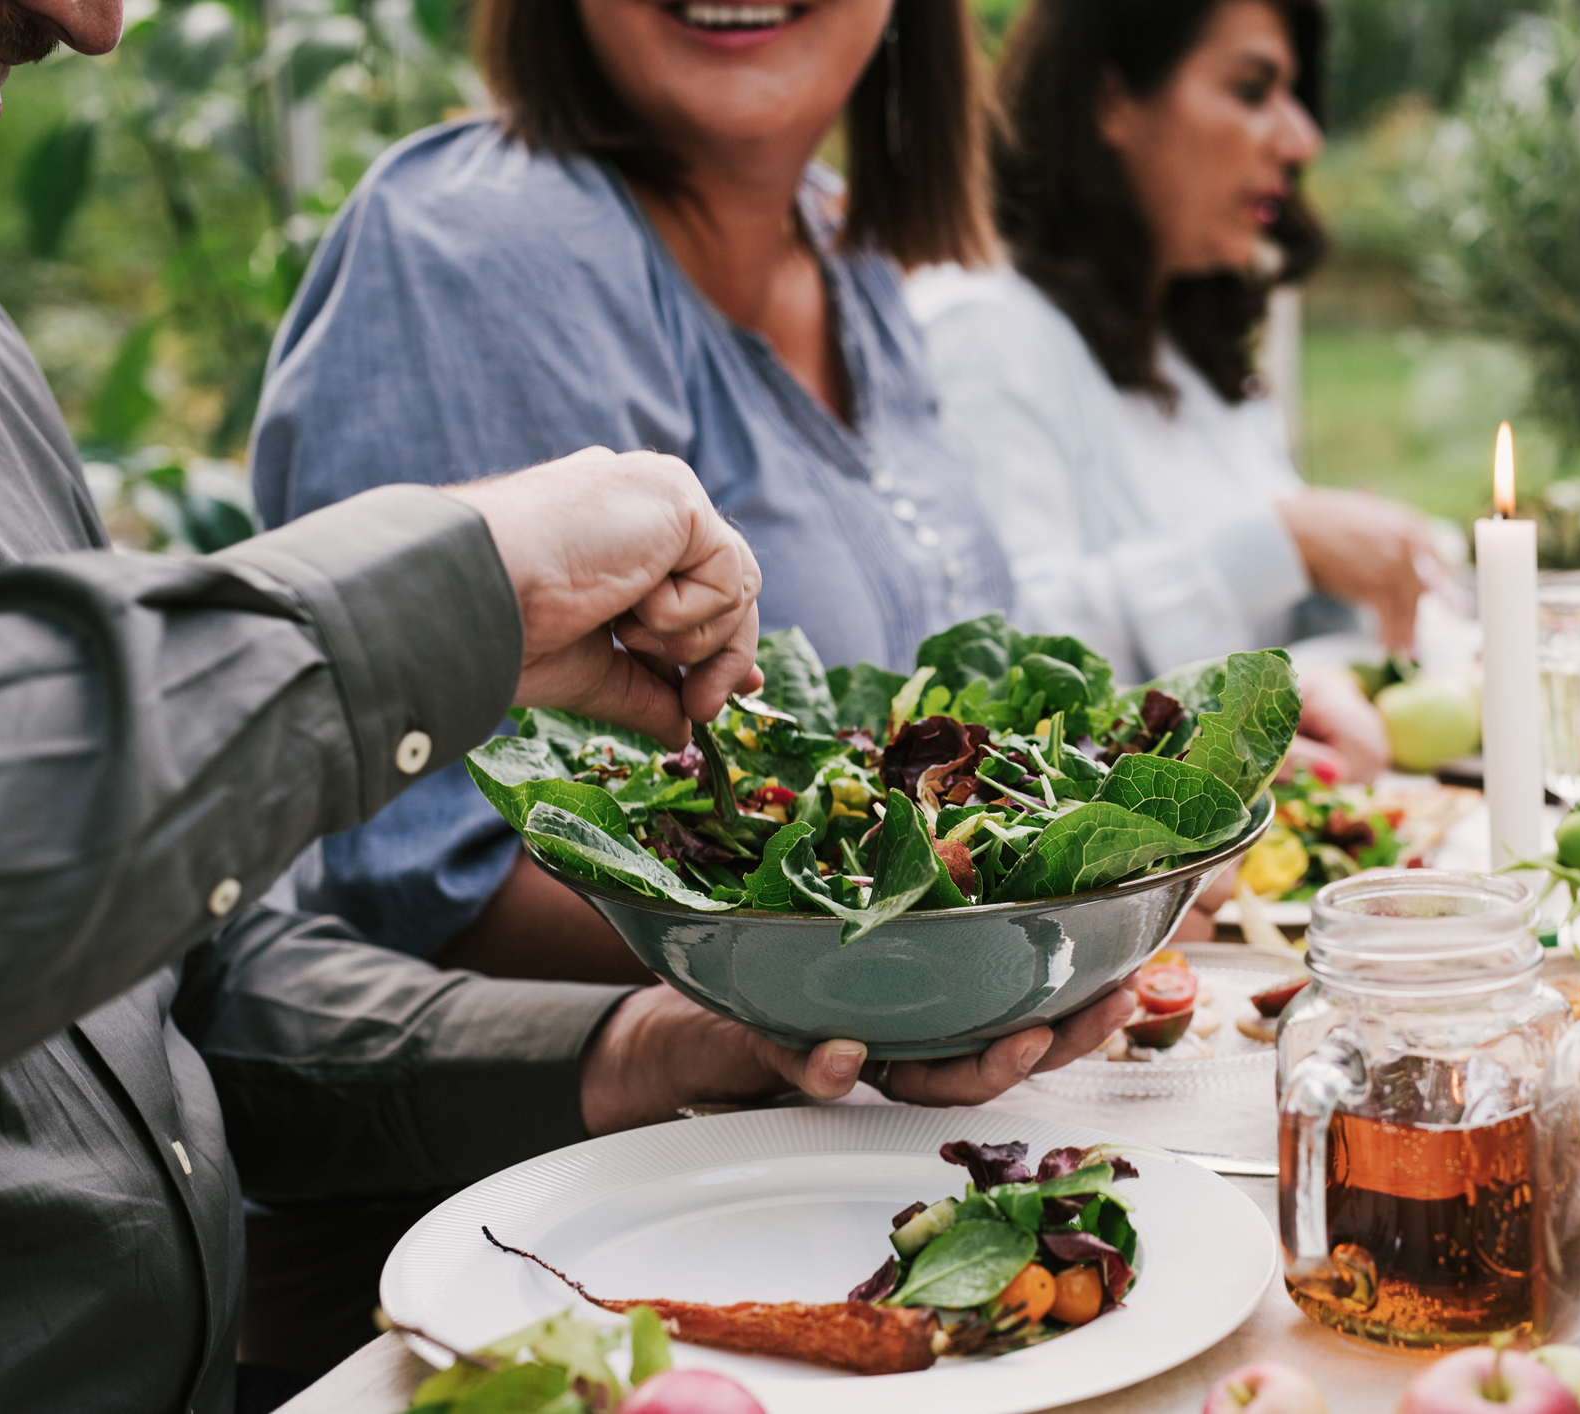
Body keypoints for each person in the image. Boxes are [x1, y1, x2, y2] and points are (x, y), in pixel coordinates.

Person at [0, 3, 1132, 1408]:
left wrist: (664, 1040)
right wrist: (461, 593)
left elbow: (181, 996)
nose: (91, 21)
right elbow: (406, 878)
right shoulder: (482, 241)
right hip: (516, 1267)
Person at [247, 0, 1019, 978]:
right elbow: (435, 884)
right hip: (629, 1125)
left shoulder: (843, 246)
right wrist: (944, 946)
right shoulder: (489, 241)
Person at [908, 0, 1433, 782]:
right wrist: (1284, 540)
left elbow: (1277, 633)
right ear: (1110, 101)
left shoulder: (1193, 345)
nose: (1301, 140)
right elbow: (990, 666)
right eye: (1251, 90)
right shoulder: (982, 333)